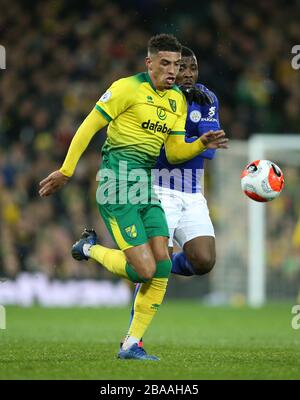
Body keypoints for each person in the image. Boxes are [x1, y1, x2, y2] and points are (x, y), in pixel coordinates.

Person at [39, 34, 228, 361]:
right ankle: (89, 248)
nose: (173, 71)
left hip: (146, 187)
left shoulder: (177, 101)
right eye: (166, 64)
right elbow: (88, 126)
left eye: (177, 65)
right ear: (150, 63)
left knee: (163, 265)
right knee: (143, 271)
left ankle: (131, 345)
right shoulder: (126, 88)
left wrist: (201, 144)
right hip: (117, 185)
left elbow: (174, 150)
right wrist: (67, 170)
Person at [125, 46, 222, 346]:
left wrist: (194, 140)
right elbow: (169, 153)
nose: (189, 74)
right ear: (172, 71)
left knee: (204, 260)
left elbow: (210, 151)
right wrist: (193, 138)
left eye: (194, 68)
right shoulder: (161, 101)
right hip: (160, 187)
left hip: (193, 192)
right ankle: (132, 339)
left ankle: (149, 258)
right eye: (183, 69)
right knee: (153, 272)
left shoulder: (207, 99)